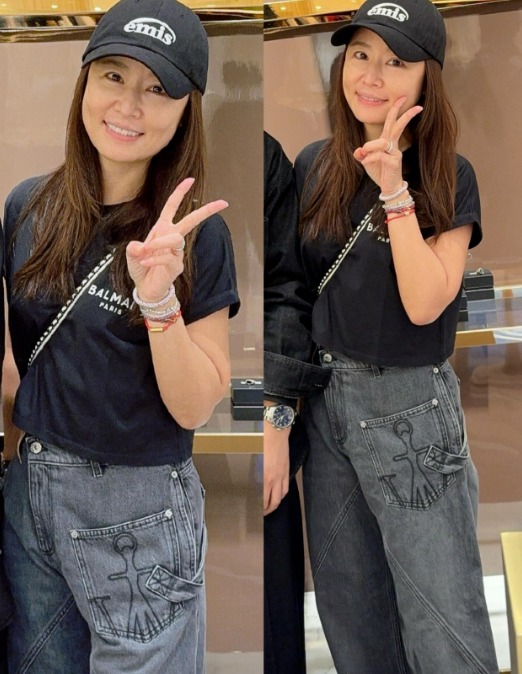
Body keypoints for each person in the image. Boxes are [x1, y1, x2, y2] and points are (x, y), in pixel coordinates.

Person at [1, 0, 239, 671]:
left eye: (157, 88)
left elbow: (195, 405)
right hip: (31, 491)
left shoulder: (196, 236)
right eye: (113, 76)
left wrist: (157, 298)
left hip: (137, 506)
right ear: (85, 81)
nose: (129, 106)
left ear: (186, 108)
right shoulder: (29, 208)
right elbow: (18, 365)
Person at [285, 0, 500, 671]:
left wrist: (395, 192)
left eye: (396, 61)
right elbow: (296, 291)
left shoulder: (448, 174)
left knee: (442, 613)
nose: (371, 75)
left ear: (428, 76)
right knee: (352, 613)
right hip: (326, 408)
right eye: (360, 55)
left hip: (409, 407)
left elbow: (426, 301)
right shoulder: (314, 165)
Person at [263, 131, 331, 674]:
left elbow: (287, 290)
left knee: (272, 617)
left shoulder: (262, 156)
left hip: (255, 410)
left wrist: (275, 415)